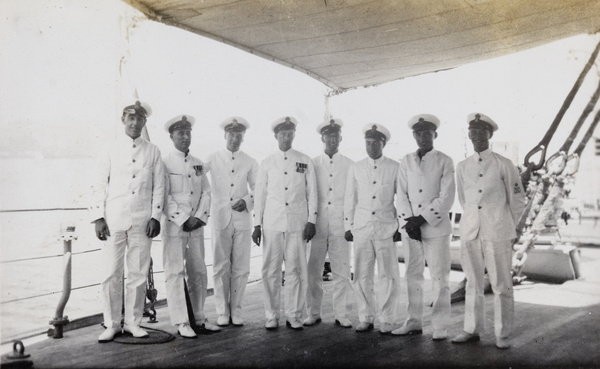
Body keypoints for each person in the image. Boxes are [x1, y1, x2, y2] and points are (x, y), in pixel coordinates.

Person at [90, 101, 165, 342]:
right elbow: (98, 184)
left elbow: (160, 186)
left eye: (139, 119)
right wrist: (97, 217)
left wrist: (155, 216)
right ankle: (111, 324)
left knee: (138, 273)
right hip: (113, 220)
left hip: (142, 221)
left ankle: (133, 322)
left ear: (145, 122)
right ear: (123, 120)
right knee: (111, 272)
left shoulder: (153, 151)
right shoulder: (110, 149)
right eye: (130, 118)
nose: (135, 123)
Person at [452, 113, 526, 349]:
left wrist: (506, 226)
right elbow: (465, 200)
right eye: (473, 132)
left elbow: (517, 200)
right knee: (472, 283)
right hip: (472, 231)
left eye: (481, 132)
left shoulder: (504, 164)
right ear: (469, 135)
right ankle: (471, 329)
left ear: (489, 135)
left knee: (501, 284)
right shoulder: (462, 167)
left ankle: (503, 334)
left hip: (498, 232)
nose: (476, 136)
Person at [392, 114, 455, 340]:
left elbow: (446, 197)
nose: (422, 137)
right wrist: (409, 221)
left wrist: (420, 219)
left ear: (434, 135)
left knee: (439, 277)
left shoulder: (445, 161)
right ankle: (414, 321)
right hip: (411, 228)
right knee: (412, 275)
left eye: (427, 133)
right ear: (414, 136)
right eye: (418, 134)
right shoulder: (406, 161)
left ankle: (439, 326)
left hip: (435, 228)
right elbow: (402, 194)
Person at [252, 116, 318, 330]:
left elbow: (312, 193)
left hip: (297, 224)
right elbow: (260, 195)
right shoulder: (267, 163)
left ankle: (294, 314)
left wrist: (312, 220)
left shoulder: (305, 160)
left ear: (293, 135)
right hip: (272, 223)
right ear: (276, 136)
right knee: (270, 270)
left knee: (296, 270)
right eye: (283, 134)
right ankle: (271, 315)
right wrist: (257, 224)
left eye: (290, 134)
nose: (286, 138)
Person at [162, 114, 220, 338]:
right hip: (175, 226)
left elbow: (206, 191)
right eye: (180, 133)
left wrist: (199, 217)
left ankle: (199, 316)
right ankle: (181, 321)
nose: (185, 137)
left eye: (188, 133)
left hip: (196, 225)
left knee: (198, 270)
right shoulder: (165, 162)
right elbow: (163, 195)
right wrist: (183, 217)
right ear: (172, 136)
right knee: (175, 272)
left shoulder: (197, 163)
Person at [344, 123, 402, 334]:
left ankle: (387, 319)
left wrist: (400, 225)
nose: (371, 147)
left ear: (383, 143)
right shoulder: (356, 167)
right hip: (362, 228)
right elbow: (350, 198)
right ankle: (365, 316)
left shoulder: (395, 167)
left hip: (386, 228)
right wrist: (348, 225)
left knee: (388, 275)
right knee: (361, 274)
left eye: (375, 143)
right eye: (368, 143)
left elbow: (401, 199)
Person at [205, 117, 258, 327]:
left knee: (241, 267)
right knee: (220, 266)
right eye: (231, 135)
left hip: (243, 220)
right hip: (220, 219)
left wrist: (246, 202)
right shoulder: (213, 157)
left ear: (243, 137)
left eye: (239, 136)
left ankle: (236, 310)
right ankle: (222, 311)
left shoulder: (250, 161)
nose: (235, 139)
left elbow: (258, 189)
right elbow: (195, 175)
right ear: (224, 135)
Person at [304, 118, 354, 328]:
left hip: (341, 226)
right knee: (312, 270)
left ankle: (341, 313)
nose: (332, 139)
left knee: (342, 271)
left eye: (336, 136)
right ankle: (313, 312)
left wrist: (350, 225)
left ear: (340, 138)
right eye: (328, 136)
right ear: (322, 138)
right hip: (317, 224)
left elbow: (353, 197)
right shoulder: (312, 163)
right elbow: (307, 194)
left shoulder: (350, 164)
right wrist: (309, 220)